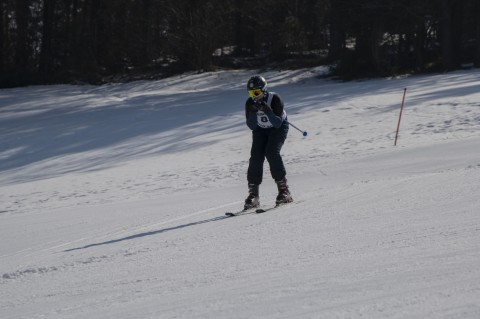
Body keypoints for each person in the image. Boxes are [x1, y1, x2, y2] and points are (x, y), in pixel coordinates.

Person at [244, 75, 293, 210]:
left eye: (257, 92)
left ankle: (284, 191)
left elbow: (277, 123)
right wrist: (253, 112)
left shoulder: (275, 99)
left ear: (264, 90)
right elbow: (252, 126)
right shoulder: (250, 103)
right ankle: (253, 195)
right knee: (256, 157)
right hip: (260, 130)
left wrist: (269, 111)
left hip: (278, 128)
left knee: (271, 153)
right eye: (251, 93)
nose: (254, 96)